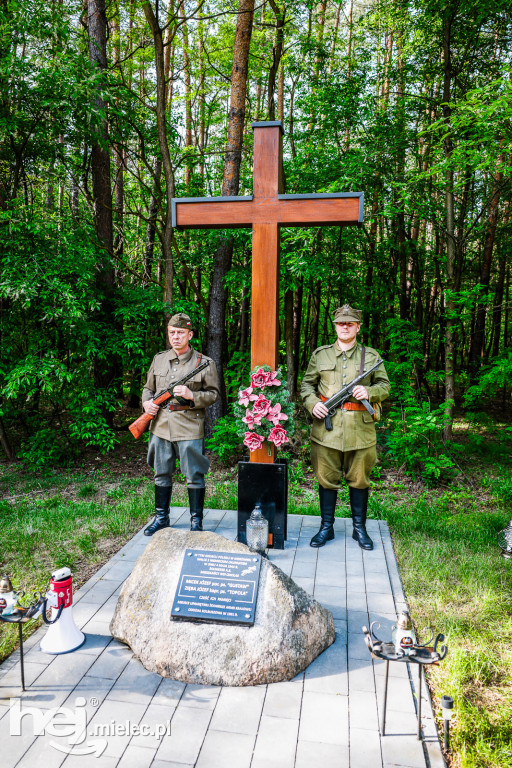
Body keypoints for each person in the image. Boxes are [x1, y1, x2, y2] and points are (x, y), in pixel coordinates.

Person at [300, 304, 390, 550]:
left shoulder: (370, 357)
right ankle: (326, 528)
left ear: (358, 327)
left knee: (359, 480)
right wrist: (312, 404)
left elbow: (385, 386)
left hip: (360, 430)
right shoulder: (321, 355)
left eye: (350, 323)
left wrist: (369, 391)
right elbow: (307, 386)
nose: (345, 327)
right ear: (335, 326)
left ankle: (359, 529)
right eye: (341, 323)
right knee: (326, 480)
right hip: (326, 431)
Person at [141, 313, 220, 535]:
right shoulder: (159, 359)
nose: (176, 337)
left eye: (181, 333)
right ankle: (161, 518)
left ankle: (196, 521)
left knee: (194, 474)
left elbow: (214, 394)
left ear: (190, 334)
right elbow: (148, 388)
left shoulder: (204, 363)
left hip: (189, 425)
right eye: (172, 333)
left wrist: (192, 395)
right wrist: (146, 403)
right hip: (160, 426)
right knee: (161, 472)